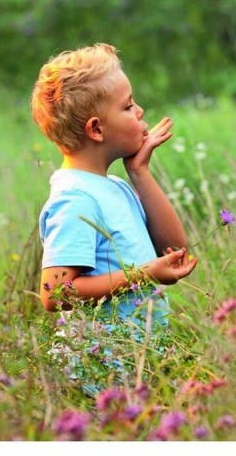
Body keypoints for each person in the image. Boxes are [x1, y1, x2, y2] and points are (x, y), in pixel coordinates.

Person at [30, 43, 197, 328]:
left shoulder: (116, 186)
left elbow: (175, 251)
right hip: (102, 356)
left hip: (140, 353)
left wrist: (140, 172)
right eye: (128, 106)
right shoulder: (75, 199)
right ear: (96, 129)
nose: (140, 111)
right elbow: (55, 293)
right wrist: (144, 275)